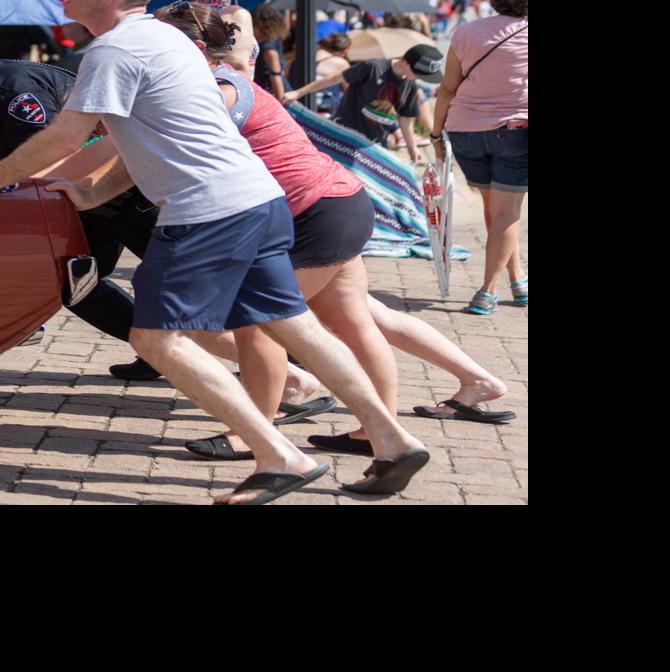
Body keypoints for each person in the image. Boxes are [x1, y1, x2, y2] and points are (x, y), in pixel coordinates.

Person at [0, 0, 432, 504]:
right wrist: (89, 192)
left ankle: (280, 457)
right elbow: (145, 139)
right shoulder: (161, 38)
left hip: (207, 210)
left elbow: (64, 138)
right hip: (256, 199)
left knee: (155, 339)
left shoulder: (111, 50)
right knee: (295, 325)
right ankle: (394, 441)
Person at [129, 2, 510, 460]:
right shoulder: (227, 77)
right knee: (357, 319)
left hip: (312, 212)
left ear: (187, 47)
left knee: (261, 325)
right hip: (338, 201)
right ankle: (391, 423)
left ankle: (253, 433)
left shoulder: (212, 88)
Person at [0, 24, 165, 382]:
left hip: (128, 193)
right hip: (85, 200)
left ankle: (257, 360)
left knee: (198, 283)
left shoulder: (11, 87)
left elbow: (56, 153)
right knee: (74, 282)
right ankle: (159, 351)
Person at [431, 0, 526, 314]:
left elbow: (447, 89)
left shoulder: (466, 32)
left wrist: (435, 134)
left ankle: (518, 279)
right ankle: (487, 292)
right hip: (515, 130)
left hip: (466, 131)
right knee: (506, 212)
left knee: (494, 208)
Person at [283, 43, 441, 167]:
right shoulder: (373, 67)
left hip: (375, 144)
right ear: (406, 62)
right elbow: (334, 79)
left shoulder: (410, 85)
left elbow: (405, 120)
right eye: (419, 73)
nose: (419, 78)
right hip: (347, 134)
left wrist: (412, 148)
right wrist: (298, 93)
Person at [249, 1, 285, 101]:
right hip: (268, 92)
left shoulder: (268, 48)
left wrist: (281, 102)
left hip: (270, 94)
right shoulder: (274, 40)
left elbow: (276, 76)